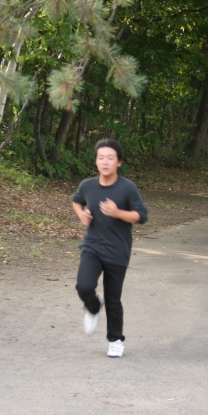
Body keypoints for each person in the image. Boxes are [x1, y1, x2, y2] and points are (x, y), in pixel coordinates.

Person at [72, 139, 148, 358]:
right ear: (96, 161)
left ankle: (115, 340)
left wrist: (118, 213)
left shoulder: (127, 188)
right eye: (101, 157)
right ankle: (93, 306)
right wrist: (81, 214)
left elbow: (141, 216)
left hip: (117, 251)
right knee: (84, 286)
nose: (105, 162)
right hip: (92, 246)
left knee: (113, 299)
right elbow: (77, 201)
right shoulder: (87, 185)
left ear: (119, 162)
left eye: (110, 158)